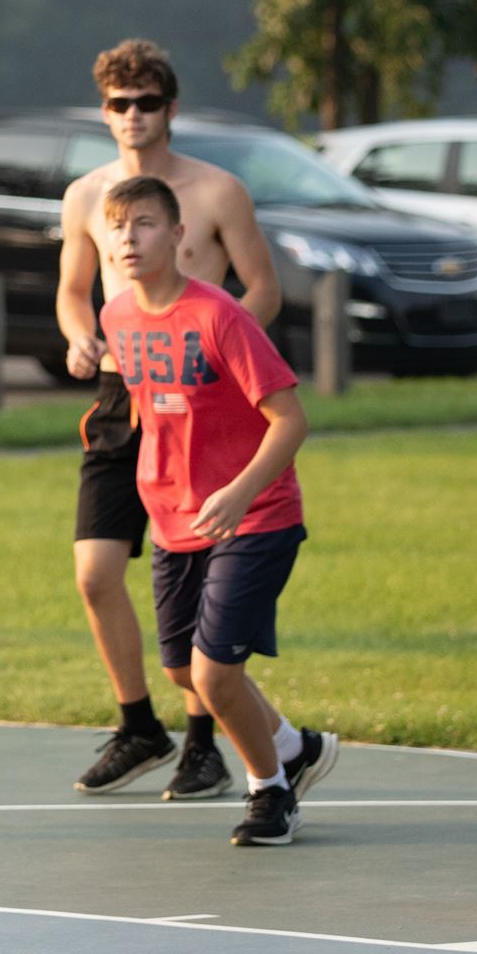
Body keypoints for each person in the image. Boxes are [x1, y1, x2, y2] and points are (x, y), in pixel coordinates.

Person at [57, 40, 280, 802]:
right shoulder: (87, 196)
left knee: (187, 564)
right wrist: (78, 334)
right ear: (104, 111)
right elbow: (72, 289)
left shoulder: (216, 192)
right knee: (94, 572)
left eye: (146, 102)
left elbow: (263, 290)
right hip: (122, 401)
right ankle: (137, 725)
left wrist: (212, 360)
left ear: (170, 108)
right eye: (118, 103)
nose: (132, 116)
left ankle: (201, 744)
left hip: (197, 402)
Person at [96, 176, 338, 847]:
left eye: (144, 224)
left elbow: (290, 420)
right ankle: (292, 744)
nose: (128, 237)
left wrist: (237, 490)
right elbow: (155, 409)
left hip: (255, 512)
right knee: (180, 669)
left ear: (179, 237)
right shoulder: (116, 318)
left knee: (212, 673)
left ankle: (272, 792)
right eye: (117, 226)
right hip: (176, 518)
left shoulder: (220, 316)